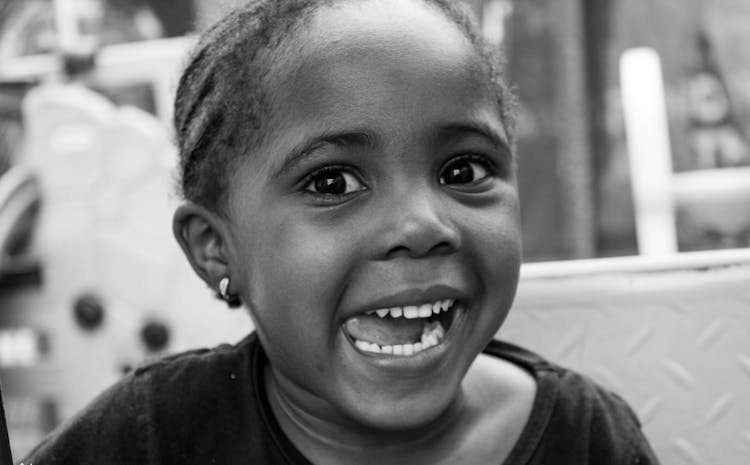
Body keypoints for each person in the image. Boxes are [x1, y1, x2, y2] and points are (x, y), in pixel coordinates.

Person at [22, 0, 661, 463]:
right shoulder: (150, 439)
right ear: (216, 248)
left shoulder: (585, 439)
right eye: (333, 184)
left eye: (463, 169)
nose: (421, 226)